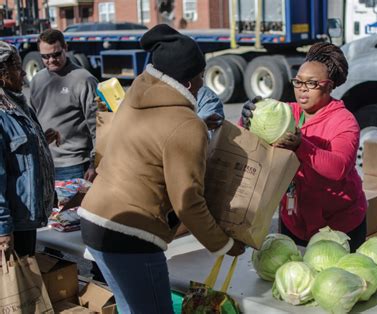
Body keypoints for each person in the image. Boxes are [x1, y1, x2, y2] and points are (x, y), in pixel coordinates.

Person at [78, 24, 245, 313]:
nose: (204, 81)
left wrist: (196, 129)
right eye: (201, 75)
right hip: (131, 235)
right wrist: (225, 245)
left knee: (131, 308)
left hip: (94, 220)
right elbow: (188, 203)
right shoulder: (186, 124)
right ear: (190, 82)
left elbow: (155, 139)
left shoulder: (135, 97)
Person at [241, 42, 367, 252]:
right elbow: (251, 143)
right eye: (298, 82)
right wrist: (246, 119)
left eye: (312, 83)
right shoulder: (287, 114)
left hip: (338, 226)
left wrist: (302, 146)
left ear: (329, 85)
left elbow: (339, 168)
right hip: (294, 220)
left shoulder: (344, 122)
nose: (302, 89)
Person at [0, 41, 55, 258]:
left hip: (25, 220)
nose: (23, 73)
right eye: (16, 67)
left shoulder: (17, 104)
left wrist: (41, 140)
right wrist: (3, 229)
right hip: (11, 225)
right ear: (2, 73)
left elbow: (17, 153)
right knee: (13, 288)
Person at [29, 29, 98, 182]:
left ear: (65, 48)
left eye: (56, 54)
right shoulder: (36, 81)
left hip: (75, 165)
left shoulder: (84, 80)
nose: (51, 60)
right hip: (44, 164)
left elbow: (98, 127)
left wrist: (94, 164)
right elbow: (33, 121)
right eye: (45, 57)